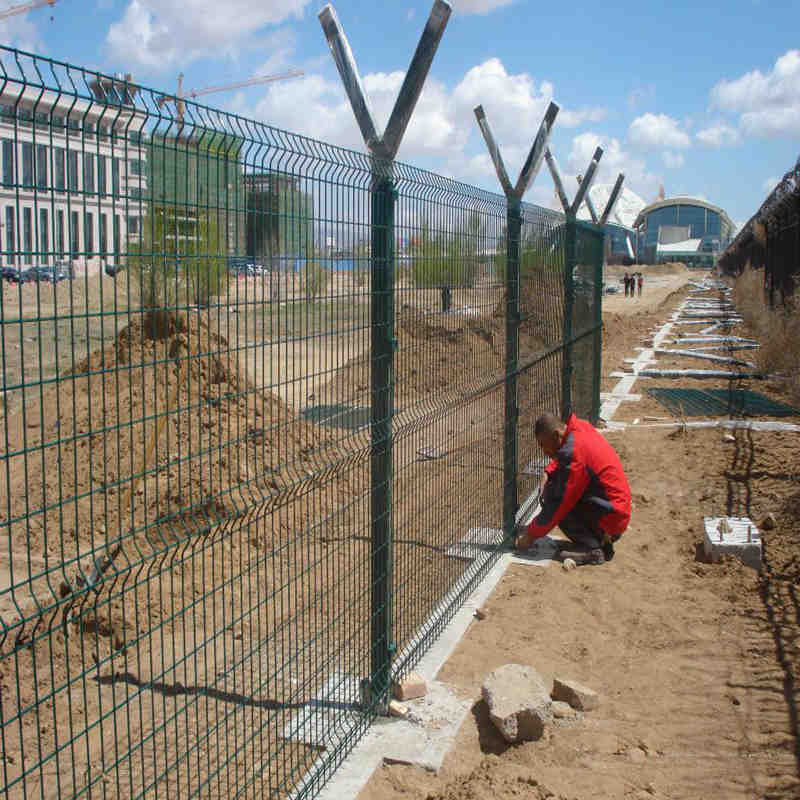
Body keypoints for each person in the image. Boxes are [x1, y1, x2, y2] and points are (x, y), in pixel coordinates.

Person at [515, 412, 631, 566]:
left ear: (557, 435)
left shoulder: (573, 452)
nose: (544, 451)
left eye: (543, 445)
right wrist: (548, 472)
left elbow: (559, 502)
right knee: (555, 483)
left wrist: (530, 536)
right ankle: (594, 539)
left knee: (553, 494)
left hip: (610, 521)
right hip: (616, 512)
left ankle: (591, 547)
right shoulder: (580, 428)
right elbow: (567, 459)